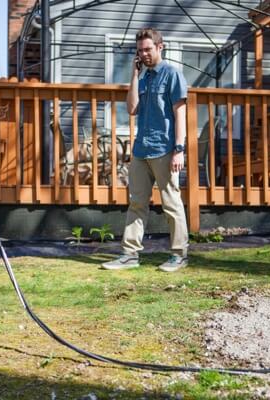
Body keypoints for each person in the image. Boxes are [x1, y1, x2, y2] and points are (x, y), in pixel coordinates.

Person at [102, 28, 189, 272]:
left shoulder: (172, 75)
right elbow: (132, 109)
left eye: (148, 49)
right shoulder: (143, 77)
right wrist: (134, 74)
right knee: (137, 203)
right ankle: (130, 254)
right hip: (141, 149)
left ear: (160, 47)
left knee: (171, 203)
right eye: (140, 51)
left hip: (165, 149)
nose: (144, 54)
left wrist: (179, 150)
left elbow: (180, 114)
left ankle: (179, 254)